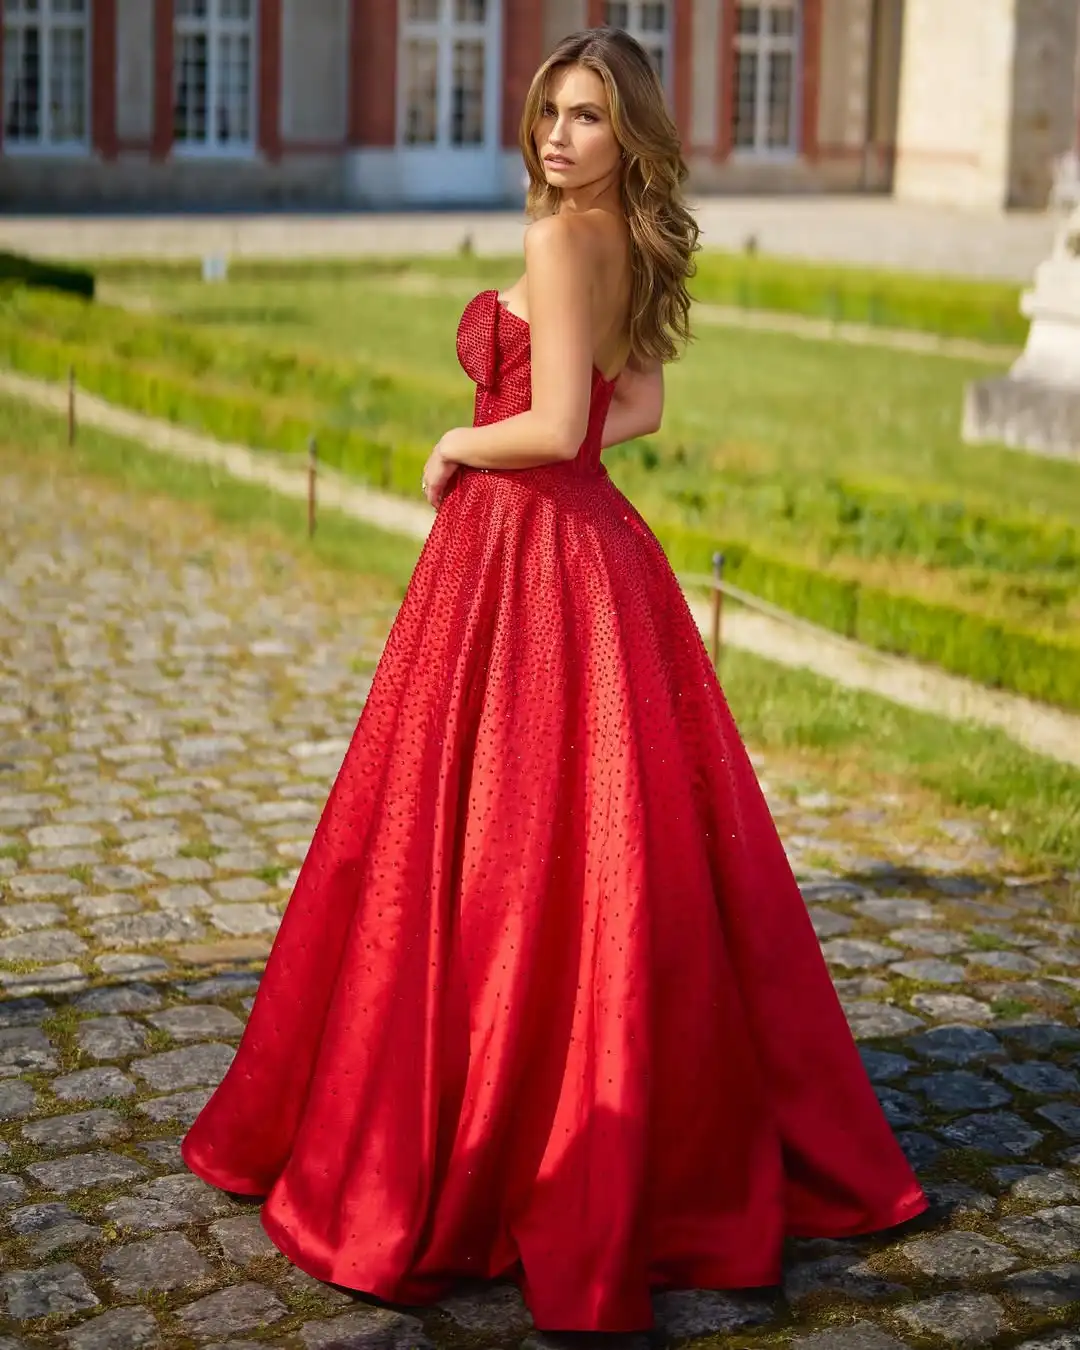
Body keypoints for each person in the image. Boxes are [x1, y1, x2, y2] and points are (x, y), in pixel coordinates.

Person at [181, 27, 928, 1333]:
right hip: (597, 557)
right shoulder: (625, 239)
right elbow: (634, 413)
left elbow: (561, 420)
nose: (558, 136)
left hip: (521, 549)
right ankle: (597, 1090)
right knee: (593, 843)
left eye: (585, 117)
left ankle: (487, 1124)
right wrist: (545, 428)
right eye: (549, 113)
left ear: (624, 132)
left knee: (488, 840)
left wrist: (455, 442)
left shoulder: (551, 241)